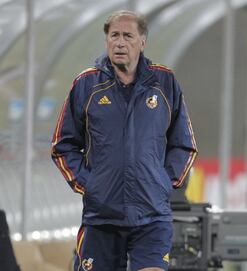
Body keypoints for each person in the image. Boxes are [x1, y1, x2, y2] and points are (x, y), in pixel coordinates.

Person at [51, 10, 197, 271]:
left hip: (152, 216)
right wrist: (89, 184)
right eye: (114, 35)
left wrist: (163, 182)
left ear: (142, 42)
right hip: (101, 217)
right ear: (107, 40)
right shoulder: (86, 85)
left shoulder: (164, 83)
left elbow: (184, 144)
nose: (120, 42)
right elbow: (63, 146)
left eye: (127, 36)